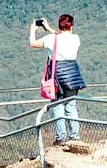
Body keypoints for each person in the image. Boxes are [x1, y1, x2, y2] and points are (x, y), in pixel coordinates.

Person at [30, 14, 86, 143]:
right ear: (71, 26)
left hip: (57, 75)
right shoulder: (76, 39)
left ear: (59, 25)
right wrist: (49, 28)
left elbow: (33, 43)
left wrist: (33, 30)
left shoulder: (51, 39)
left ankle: (61, 137)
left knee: (57, 106)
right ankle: (75, 136)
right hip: (72, 75)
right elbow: (62, 36)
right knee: (71, 106)